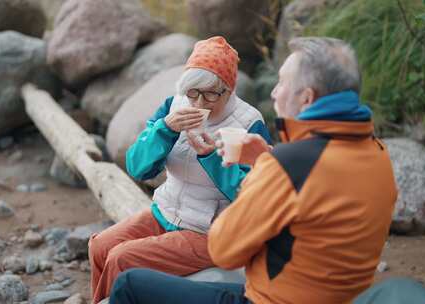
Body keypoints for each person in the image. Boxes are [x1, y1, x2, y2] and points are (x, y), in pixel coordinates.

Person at [109, 37, 398, 304]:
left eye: (282, 82)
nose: (273, 91)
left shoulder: (287, 162)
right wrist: (269, 160)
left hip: (268, 299)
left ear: (307, 98)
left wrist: (262, 169)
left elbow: (225, 247)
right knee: (107, 249)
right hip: (334, 296)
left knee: (129, 284)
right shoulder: (379, 154)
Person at [88, 36, 271, 303]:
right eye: (193, 92)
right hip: (165, 212)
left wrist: (211, 157)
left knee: (121, 258)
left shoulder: (249, 123)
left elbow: (252, 197)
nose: (199, 103)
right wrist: (165, 129)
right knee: (100, 246)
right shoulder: (173, 106)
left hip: (210, 233)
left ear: (229, 89)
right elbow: (137, 167)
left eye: (210, 93)